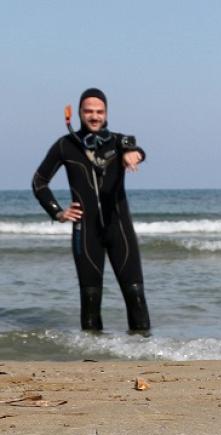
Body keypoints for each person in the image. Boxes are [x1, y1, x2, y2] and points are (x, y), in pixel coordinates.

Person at [31, 88, 150, 333]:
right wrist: (58, 213)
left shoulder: (119, 141)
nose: (94, 116)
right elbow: (39, 182)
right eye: (89, 111)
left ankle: (144, 357)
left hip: (120, 230)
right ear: (79, 113)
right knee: (90, 299)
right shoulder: (65, 145)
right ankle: (93, 359)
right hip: (85, 233)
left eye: (99, 111)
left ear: (106, 113)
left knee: (135, 294)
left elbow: (139, 150)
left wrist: (133, 154)